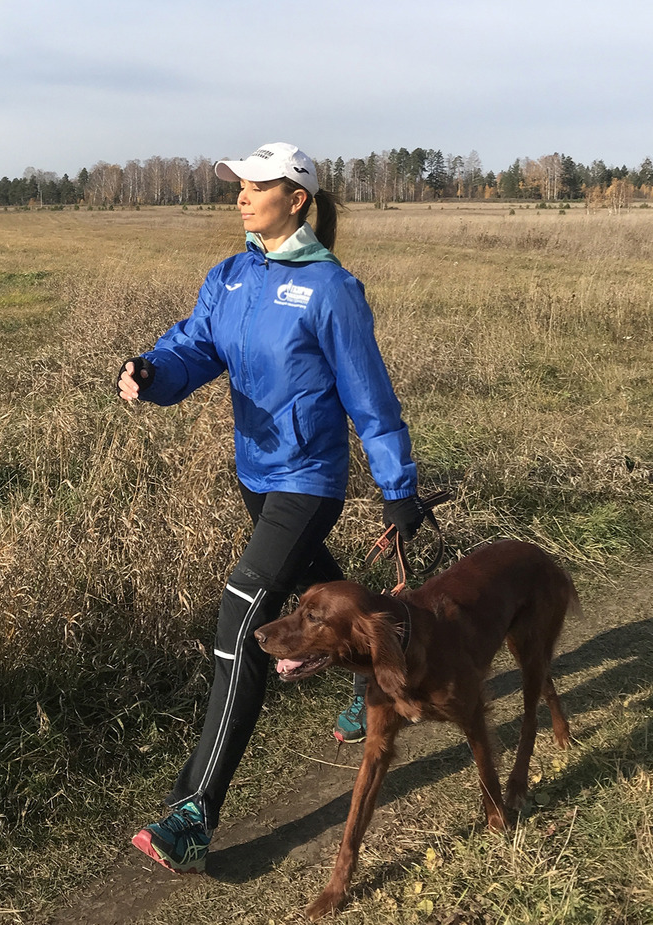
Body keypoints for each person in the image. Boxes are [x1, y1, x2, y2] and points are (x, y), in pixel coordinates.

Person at [117, 142, 424, 874]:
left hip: (309, 481)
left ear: (298, 199)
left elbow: (369, 396)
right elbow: (194, 347)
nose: (242, 196)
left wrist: (399, 488)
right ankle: (389, 654)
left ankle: (194, 811)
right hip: (256, 474)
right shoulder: (230, 277)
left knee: (242, 616)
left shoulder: (331, 289)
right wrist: (152, 371)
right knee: (323, 589)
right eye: (240, 185)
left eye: (257, 185)